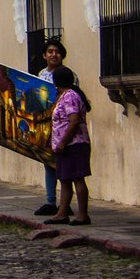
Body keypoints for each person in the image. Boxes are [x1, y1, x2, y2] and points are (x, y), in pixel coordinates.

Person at [43, 66, 92, 226]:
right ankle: (62, 212)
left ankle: (82, 214)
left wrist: (63, 141)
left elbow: (74, 120)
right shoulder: (63, 96)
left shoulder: (70, 96)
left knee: (78, 177)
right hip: (63, 145)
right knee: (64, 179)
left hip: (74, 144)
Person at [33, 38, 68, 217]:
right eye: (50, 52)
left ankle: (65, 201)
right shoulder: (41, 74)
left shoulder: (68, 75)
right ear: (44, 55)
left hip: (62, 126)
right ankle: (50, 200)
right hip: (46, 125)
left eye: (57, 52)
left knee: (63, 164)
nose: (54, 55)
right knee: (48, 163)